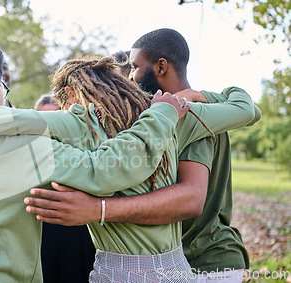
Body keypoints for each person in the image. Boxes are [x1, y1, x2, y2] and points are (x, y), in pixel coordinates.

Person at [0, 50, 256, 281]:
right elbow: (245, 108)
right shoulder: (176, 114)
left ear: (73, 95)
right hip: (174, 270)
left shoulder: (78, 122)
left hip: (116, 271)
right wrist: (196, 96)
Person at [24, 29, 255, 282]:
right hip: (174, 257)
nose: (131, 79)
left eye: (134, 68)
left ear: (161, 67)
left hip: (206, 258)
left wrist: (98, 209)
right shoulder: (140, 120)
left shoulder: (184, 114)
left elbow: (190, 200)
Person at [34, 93, 93, 282]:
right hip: (43, 236)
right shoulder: (28, 158)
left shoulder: (83, 154)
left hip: (81, 235)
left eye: (57, 118)